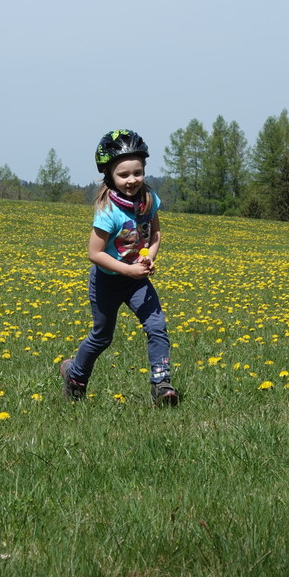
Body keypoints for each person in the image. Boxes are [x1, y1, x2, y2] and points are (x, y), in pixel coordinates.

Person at [60, 129, 180, 406]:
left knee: (157, 326)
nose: (132, 180)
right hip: (107, 282)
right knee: (102, 337)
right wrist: (127, 270)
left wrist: (148, 256)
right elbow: (94, 253)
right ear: (109, 175)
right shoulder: (107, 211)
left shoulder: (149, 201)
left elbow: (156, 233)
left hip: (136, 281)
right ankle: (74, 376)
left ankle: (161, 385)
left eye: (137, 172)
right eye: (123, 175)